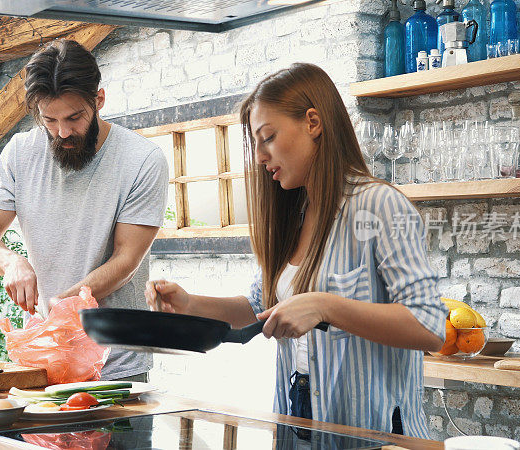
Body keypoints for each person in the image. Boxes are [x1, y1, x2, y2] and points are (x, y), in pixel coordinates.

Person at [145, 63, 447, 438]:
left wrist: (325, 306)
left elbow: (429, 325)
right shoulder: (295, 215)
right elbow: (258, 308)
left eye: (267, 137)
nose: (259, 156)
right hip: (297, 416)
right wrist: (190, 303)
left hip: (372, 432)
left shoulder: (379, 205)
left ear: (313, 123)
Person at [0, 39, 168, 382]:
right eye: (50, 120)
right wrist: (11, 262)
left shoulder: (142, 160)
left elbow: (125, 260)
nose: (63, 132)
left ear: (99, 100)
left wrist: (63, 303)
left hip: (117, 366)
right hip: (48, 359)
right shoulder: (20, 152)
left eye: (75, 118)